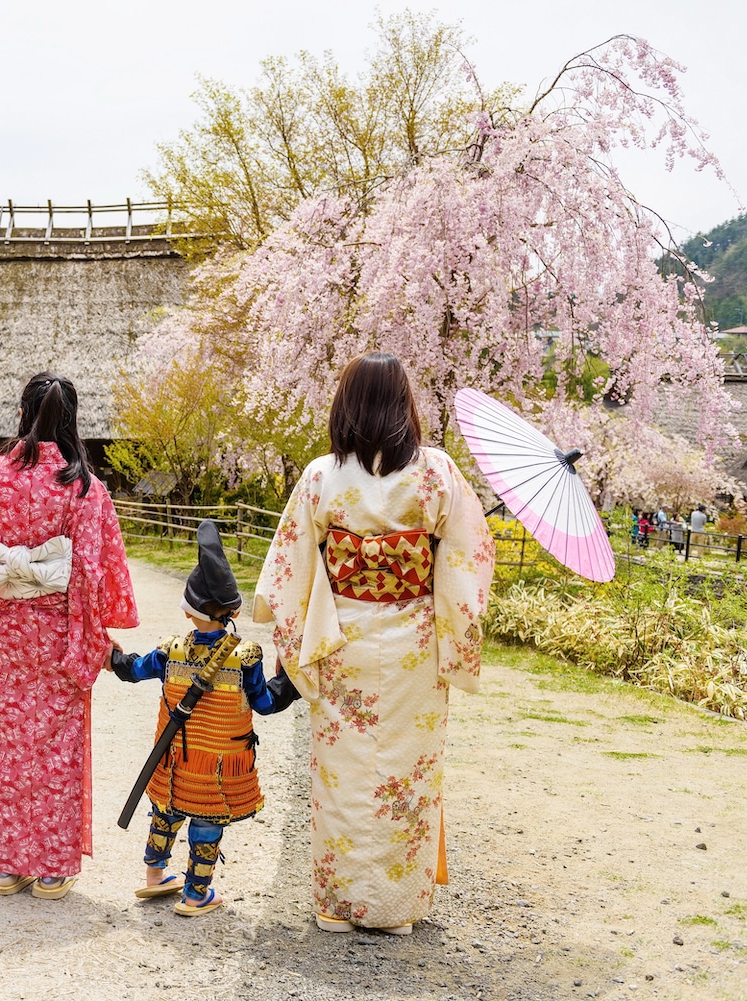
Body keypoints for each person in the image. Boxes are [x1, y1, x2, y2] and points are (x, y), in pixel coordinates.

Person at [256, 352, 495, 935]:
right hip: (414, 642)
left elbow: (289, 568)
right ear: (404, 405)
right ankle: (393, 910)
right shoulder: (436, 472)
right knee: (407, 774)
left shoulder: (321, 475)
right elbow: (469, 558)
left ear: (346, 406)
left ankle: (338, 904)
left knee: (340, 771)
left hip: (341, 637)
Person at [0, 372, 138, 900]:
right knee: (58, 748)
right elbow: (90, 571)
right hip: (59, 634)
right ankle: (50, 867)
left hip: (5, 636)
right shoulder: (85, 487)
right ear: (72, 423)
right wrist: (93, 639)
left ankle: (7, 865)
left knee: (7, 746)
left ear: (21, 415)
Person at [109, 519, 298, 916]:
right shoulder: (245, 656)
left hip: (172, 754)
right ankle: (196, 894)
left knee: (166, 808)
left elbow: (133, 669)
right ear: (233, 610)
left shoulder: (170, 651)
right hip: (218, 761)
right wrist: (290, 680)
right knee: (207, 818)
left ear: (187, 609)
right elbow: (264, 703)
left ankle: (155, 877)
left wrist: (111, 656)